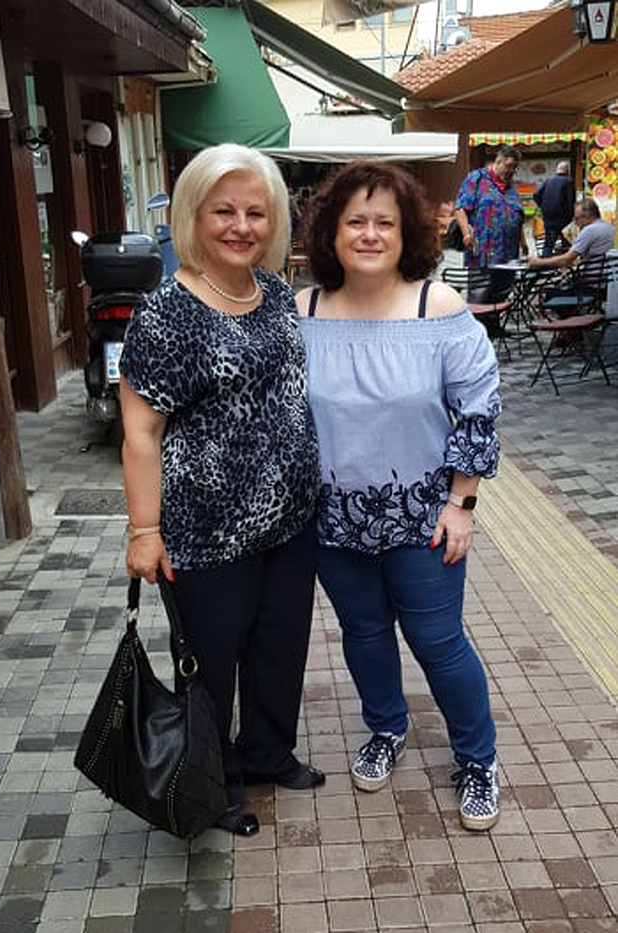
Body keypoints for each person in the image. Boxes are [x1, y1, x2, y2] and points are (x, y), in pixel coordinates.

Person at [119, 143, 323, 838]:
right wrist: (144, 530)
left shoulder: (274, 293)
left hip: (290, 520)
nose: (241, 226)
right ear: (193, 216)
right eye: (223, 211)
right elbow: (140, 432)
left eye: (255, 213)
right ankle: (216, 787)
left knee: (279, 648)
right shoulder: (165, 313)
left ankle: (267, 753)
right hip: (206, 533)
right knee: (209, 667)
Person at [296, 161, 502, 832]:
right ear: (330, 232)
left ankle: (478, 758)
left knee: (437, 641)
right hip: (334, 518)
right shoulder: (302, 312)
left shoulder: (436, 309)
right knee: (363, 633)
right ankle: (386, 726)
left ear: (406, 231)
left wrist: (461, 504)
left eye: (384, 221)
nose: (369, 233)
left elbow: (477, 411)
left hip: (424, 515)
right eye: (355, 220)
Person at [454, 146, 527, 303]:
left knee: (502, 295)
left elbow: (517, 215)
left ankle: (495, 319)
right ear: (498, 162)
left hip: (509, 254)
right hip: (482, 251)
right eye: (509, 166)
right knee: (480, 297)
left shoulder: (511, 186)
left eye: (515, 167)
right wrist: (466, 233)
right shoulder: (477, 178)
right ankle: (480, 319)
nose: (512, 171)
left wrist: (523, 242)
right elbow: (460, 208)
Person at [528, 198, 614, 270]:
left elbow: (566, 259)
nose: (575, 223)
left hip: (591, 279)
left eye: (576, 218)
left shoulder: (589, 231)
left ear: (587, 216)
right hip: (608, 277)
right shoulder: (610, 228)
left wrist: (539, 262)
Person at [533, 161, 575, 258]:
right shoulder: (568, 181)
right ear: (567, 171)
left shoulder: (548, 180)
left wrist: (543, 206)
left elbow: (536, 195)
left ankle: (548, 260)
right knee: (561, 242)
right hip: (563, 218)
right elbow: (570, 201)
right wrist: (571, 216)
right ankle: (550, 262)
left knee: (550, 242)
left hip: (548, 217)